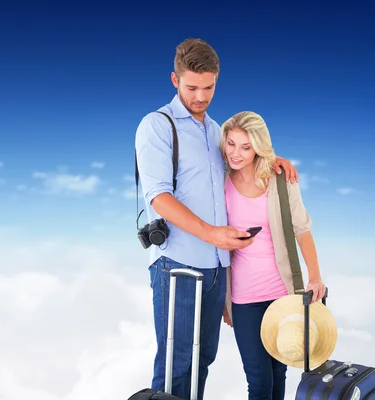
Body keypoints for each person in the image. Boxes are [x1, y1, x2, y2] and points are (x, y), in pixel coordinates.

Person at [134, 38, 299, 400]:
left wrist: (273, 161)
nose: (201, 96)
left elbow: (241, 161)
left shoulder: (214, 131)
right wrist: (211, 234)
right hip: (177, 266)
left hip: (216, 271)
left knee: (201, 359)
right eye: (192, 87)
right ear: (175, 80)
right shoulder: (157, 126)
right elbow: (158, 197)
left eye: (209, 87)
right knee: (177, 364)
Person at [219, 111, 327, 400]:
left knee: (279, 372)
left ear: (258, 147)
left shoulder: (280, 180)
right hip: (244, 299)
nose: (236, 153)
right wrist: (223, 301)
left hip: (283, 294)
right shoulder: (219, 180)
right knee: (259, 380)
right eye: (231, 144)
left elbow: (302, 230)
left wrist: (315, 277)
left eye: (246, 147)